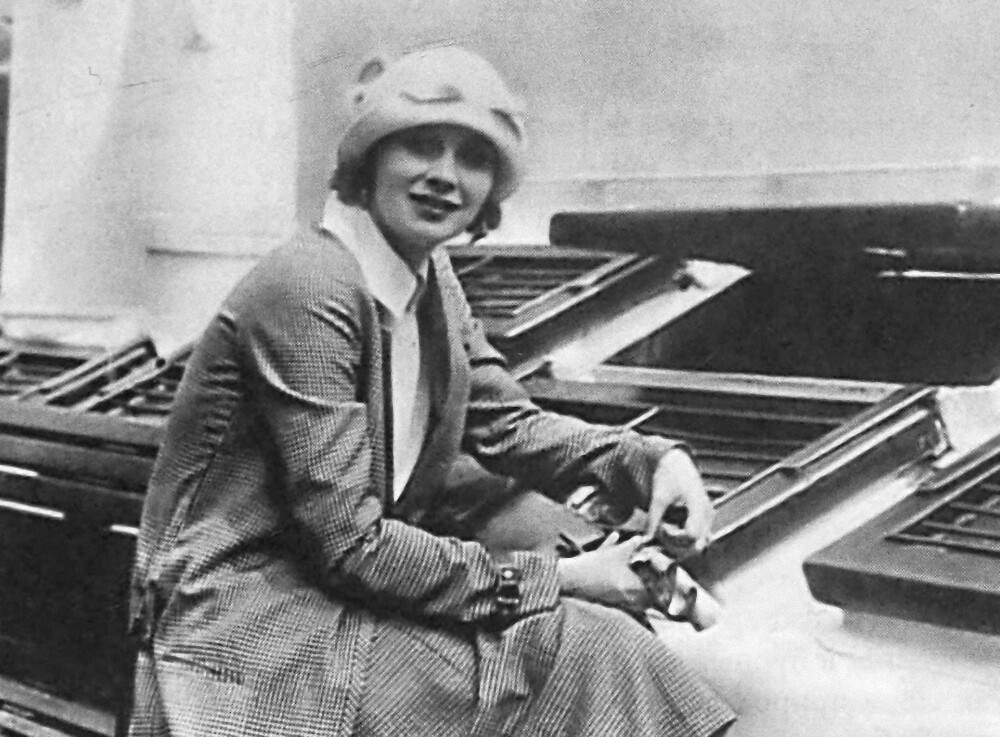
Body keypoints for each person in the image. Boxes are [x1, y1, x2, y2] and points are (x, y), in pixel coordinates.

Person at [127, 45, 736, 737]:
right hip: (249, 631)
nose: (445, 176)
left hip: (339, 603)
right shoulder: (309, 287)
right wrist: (561, 579)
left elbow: (508, 423)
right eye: (421, 145)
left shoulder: (430, 282)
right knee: (589, 644)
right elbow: (353, 546)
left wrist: (650, 460)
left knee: (598, 644)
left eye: (473, 157)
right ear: (371, 155)